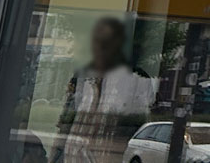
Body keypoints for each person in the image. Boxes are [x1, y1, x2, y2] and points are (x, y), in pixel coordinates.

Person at [53, 17, 157, 163]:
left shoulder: (137, 79)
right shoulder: (83, 76)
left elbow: (140, 125)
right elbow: (66, 122)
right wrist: (55, 155)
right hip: (74, 156)